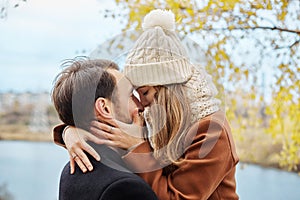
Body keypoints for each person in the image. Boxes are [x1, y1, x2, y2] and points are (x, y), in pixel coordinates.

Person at [54, 9, 239, 200]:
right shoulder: (155, 116)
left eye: (144, 92)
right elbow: (97, 117)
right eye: (133, 93)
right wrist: (71, 131)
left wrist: (137, 146)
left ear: (167, 89)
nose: (141, 104)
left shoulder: (211, 131)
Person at [51, 58, 158, 200]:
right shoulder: (126, 187)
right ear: (104, 108)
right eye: (131, 95)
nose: (141, 105)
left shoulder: (71, 170)